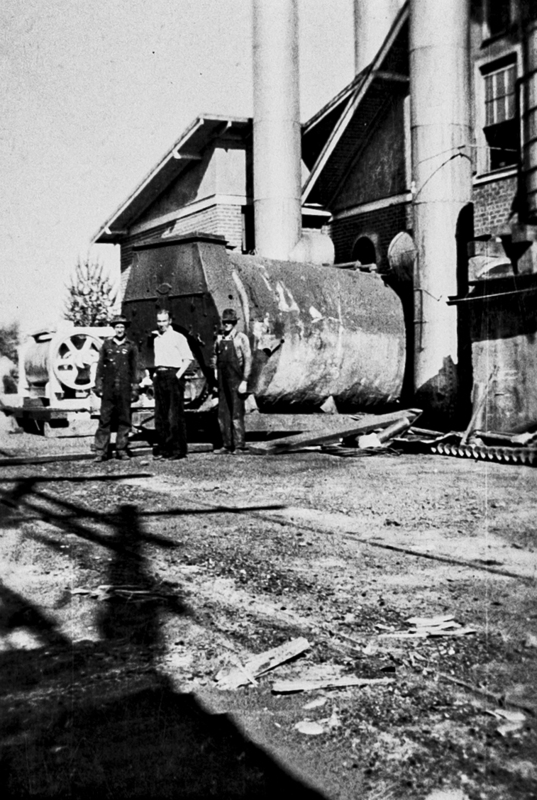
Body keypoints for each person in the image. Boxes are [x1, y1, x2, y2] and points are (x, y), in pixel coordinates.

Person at [93, 315, 139, 462]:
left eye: (122, 327)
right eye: (117, 327)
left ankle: (121, 449)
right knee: (104, 419)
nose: (120, 330)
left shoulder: (131, 346)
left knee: (124, 420)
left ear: (125, 329)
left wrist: (135, 388)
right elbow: (100, 367)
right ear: (114, 328)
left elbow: (135, 368)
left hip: (124, 388)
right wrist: (98, 385)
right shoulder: (107, 345)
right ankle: (101, 452)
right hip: (108, 388)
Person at [152, 309, 193, 460]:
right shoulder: (156, 339)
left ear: (169, 321)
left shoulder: (178, 337)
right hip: (160, 376)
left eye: (164, 321)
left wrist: (177, 375)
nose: (161, 324)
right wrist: (156, 374)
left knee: (174, 415)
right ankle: (164, 449)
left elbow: (188, 358)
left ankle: (178, 450)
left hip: (173, 375)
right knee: (160, 415)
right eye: (159, 321)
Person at [213, 307, 252, 454]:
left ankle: (239, 445)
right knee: (223, 413)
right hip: (223, 381)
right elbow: (215, 358)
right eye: (225, 322)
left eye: (230, 322)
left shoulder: (241, 338)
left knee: (236, 414)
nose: (227, 324)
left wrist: (244, 380)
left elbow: (248, 360)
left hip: (236, 380)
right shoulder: (219, 339)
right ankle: (226, 445)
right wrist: (216, 374)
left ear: (234, 322)